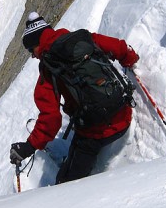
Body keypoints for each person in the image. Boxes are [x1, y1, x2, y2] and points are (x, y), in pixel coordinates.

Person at [10, 12, 139, 184]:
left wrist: (29, 146)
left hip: (96, 133)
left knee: (66, 183)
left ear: (38, 43)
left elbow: (51, 118)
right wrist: (131, 60)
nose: (32, 55)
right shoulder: (84, 39)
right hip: (123, 113)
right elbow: (120, 48)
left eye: (30, 50)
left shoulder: (49, 68)